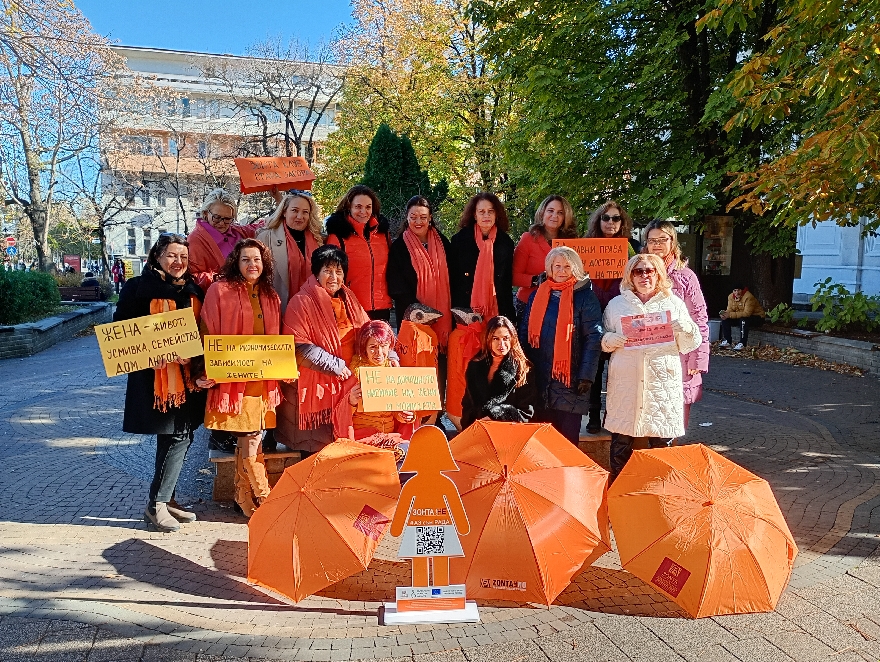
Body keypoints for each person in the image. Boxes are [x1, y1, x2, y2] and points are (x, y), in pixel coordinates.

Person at [114, 233, 205, 533]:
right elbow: (121, 330)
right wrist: (150, 351)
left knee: (182, 435)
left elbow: (201, 332)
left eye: (183, 257)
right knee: (175, 436)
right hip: (157, 381)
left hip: (188, 378)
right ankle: (157, 505)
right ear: (157, 256)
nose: (178, 262)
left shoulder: (193, 291)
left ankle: (169, 499)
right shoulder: (137, 288)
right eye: (171, 256)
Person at [196, 238, 282, 518]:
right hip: (234, 382)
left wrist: (284, 370)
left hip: (263, 383)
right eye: (245, 259)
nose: (252, 264)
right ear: (236, 262)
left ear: (264, 262)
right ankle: (266, 499)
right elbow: (206, 332)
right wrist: (203, 371)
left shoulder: (271, 295)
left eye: (256, 259)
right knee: (251, 439)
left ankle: (243, 499)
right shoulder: (219, 291)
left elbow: (277, 341)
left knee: (250, 441)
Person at [601, 254, 701, 479]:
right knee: (621, 442)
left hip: (661, 384)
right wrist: (609, 340)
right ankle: (618, 493)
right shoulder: (616, 305)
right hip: (626, 384)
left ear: (658, 274)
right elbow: (602, 338)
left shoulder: (673, 303)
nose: (644, 276)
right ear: (630, 275)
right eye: (639, 271)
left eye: (650, 271)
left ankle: (659, 497)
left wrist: (685, 328)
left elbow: (689, 345)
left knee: (661, 444)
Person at [277, 245, 372, 455]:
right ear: (316, 272)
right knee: (314, 453)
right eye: (327, 271)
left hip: (346, 385)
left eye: (339, 271)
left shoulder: (350, 299)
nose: (333, 277)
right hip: (315, 386)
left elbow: (369, 331)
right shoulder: (301, 301)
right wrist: (334, 365)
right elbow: (297, 346)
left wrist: (387, 353)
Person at [519, 246, 604, 444]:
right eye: (557, 266)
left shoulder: (586, 297)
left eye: (567, 266)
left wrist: (586, 376)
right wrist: (522, 367)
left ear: (575, 268)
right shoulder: (537, 295)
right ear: (549, 268)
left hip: (571, 382)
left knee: (566, 444)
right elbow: (524, 332)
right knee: (540, 443)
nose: (561, 271)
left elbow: (594, 337)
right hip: (538, 378)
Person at [643, 220, 709, 429]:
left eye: (663, 239)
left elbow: (699, 319)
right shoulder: (639, 272)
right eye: (652, 240)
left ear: (673, 241)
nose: (657, 245)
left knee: (673, 420)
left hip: (678, 357)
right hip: (647, 355)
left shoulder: (685, 277)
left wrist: (697, 361)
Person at [584, 200, 641, 433]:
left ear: (622, 221)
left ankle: (615, 415)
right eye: (606, 218)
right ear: (598, 221)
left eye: (615, 218)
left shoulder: (632, 247)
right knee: (595, 368)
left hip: (621, 313)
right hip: (592, 312)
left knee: (620, 370)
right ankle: (594, 415)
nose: (610, 222)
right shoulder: (586, 246)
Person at [325, 185, 393, 321]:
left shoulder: (383, 235)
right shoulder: (338, 237)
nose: (363, 211)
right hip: (351, 308)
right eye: (358, 207)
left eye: (368, 207)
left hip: (382, 308)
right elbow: (329, 275)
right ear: (349, 207)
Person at [342, 320, 417, 439]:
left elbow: (396, 411)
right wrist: (351, 401)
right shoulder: (354, 373)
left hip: (391, 436)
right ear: (364, 347)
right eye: (373, 347)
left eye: (383, 346)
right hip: (363, 438)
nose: (379, 353)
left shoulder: (393, 370)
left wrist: (406, 415)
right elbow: (340, 418)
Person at [449, 192, 516, 321]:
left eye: (491, 211)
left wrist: (510, 316)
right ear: (474, 215)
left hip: (497, 307)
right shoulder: (459, 240)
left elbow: (506, 283)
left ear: (496, 214)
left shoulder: (506, 242)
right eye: (482, 211)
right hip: (465, 306)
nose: (486, 215)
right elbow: (454, 278)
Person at [255, 190, 323, 314]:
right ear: (284, 212)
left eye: (305, 212)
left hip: (311, 309)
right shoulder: (266, 238)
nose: (300, 216)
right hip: (277, 309)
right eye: (295, 210)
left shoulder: (318, 240)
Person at [462, 315, 536, 428]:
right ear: (488, 339)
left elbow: (526, 412)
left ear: (512, 339)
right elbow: (467, 404)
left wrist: (496, 415)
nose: (501, 345)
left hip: (507, 433)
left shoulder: (523, 369)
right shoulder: (475, 366)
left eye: (505, 338)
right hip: (478, 431)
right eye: (496, 339)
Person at [512, 195, 578, 320]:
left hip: (561, 303)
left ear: (565, 217)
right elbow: (514, 276)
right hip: (529, 304)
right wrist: (536, 280)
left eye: (560, 213)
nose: (555, 216)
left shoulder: (572, 242)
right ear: (542, 213)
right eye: (550, 211)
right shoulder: (528, 239)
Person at [187, 189, 257, 293]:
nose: (222, 223)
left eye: (227, 219)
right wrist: (222, 278)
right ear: (206, 213)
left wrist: (279, 200)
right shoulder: (196, 240)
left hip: (246, 295)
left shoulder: (237, 231)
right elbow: (193, 277)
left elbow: (265, 225)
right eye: (217, 217)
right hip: (220, 298)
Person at [720, 285, 765, 349]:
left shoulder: (748, 297)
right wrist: (725, 314)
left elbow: (747, 314)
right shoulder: (730, 297)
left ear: (742, 290)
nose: (737, 293)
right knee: (725, 320)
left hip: (757, 317)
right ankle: (727, 341)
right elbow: (730, 310)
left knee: (743, 320)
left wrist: (729, 315)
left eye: (739, 290)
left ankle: (742, 343)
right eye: (735, 290)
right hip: (741, 317)